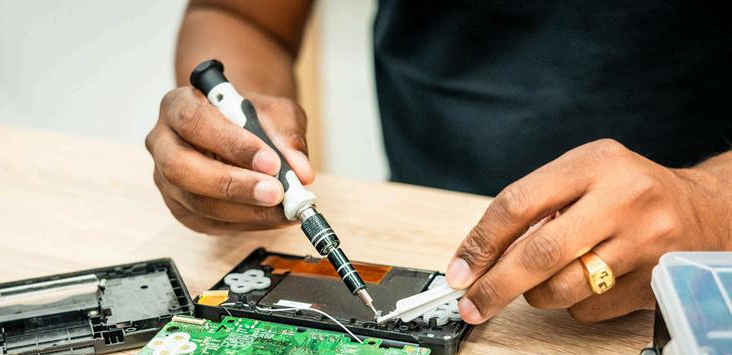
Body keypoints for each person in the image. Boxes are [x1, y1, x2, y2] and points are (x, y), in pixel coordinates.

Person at [145, 1, 732, 324]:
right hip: (412, 231)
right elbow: (239, 15)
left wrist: (709, 205)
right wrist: (231, 143)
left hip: (689, 287)